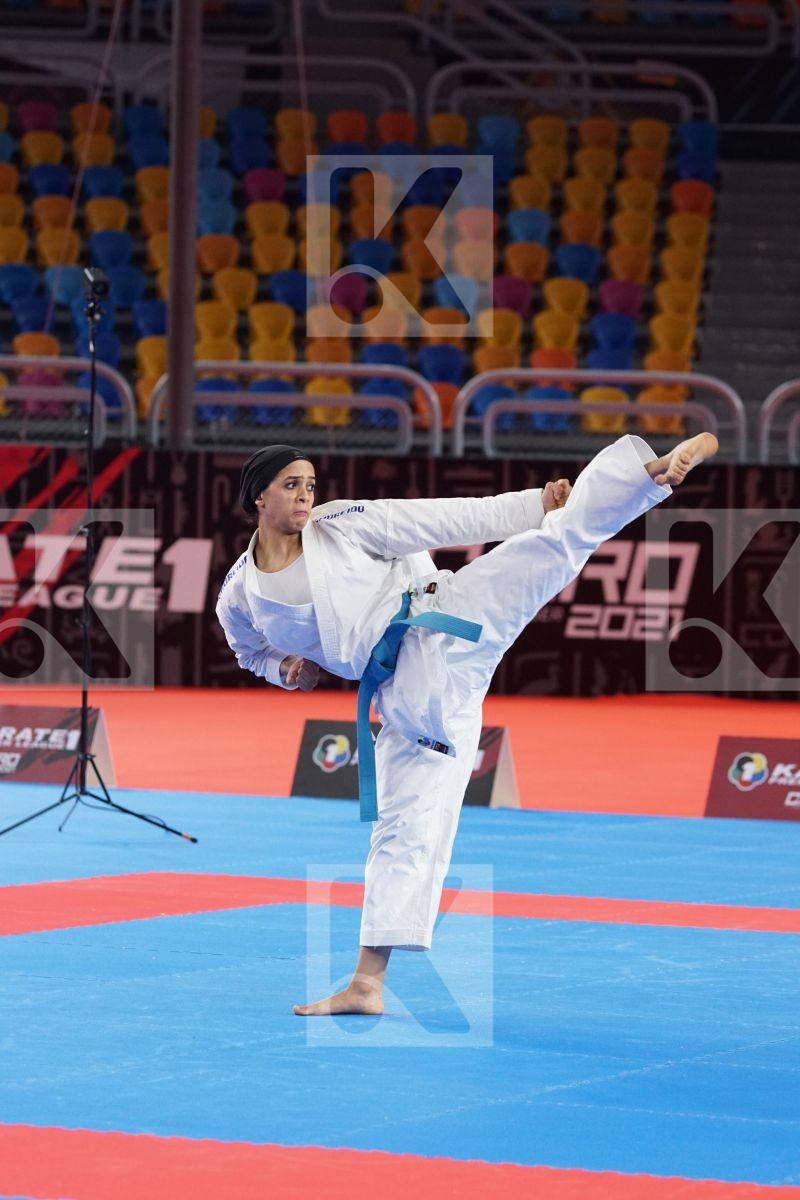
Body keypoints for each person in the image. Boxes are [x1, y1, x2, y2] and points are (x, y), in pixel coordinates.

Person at [216, 431, 718, 1017]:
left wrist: (535, 504)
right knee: (403, 825)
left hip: (441, 615)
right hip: (409, 696)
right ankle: (366, 984)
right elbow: (246, 651)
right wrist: (285, 667)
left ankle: (651, 473)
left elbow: (440, 521)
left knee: (549, 547)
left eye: (309, 485)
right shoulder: (239, 592)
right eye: (291, 486)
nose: (305, 497)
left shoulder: (338, 524)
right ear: (259, 498)